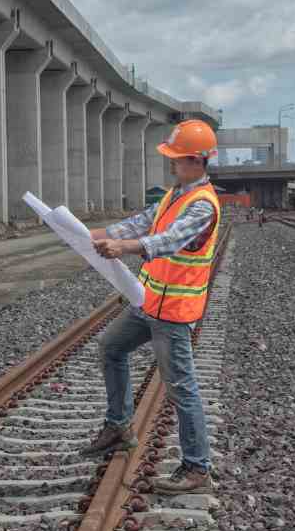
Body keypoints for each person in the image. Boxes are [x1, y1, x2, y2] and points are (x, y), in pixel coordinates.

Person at [79, 119, 220, 495]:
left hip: (173, 312)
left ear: (195, 159)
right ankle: (119, 426)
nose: (171, 164)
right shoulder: (175, 195)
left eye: (176, 158)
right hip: (148, 303)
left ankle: (197, 467)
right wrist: (97, 235)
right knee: (111, 347)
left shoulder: (202, 205)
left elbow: (169, 240)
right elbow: (144, 222)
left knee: (180, 387)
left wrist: (122, 248)